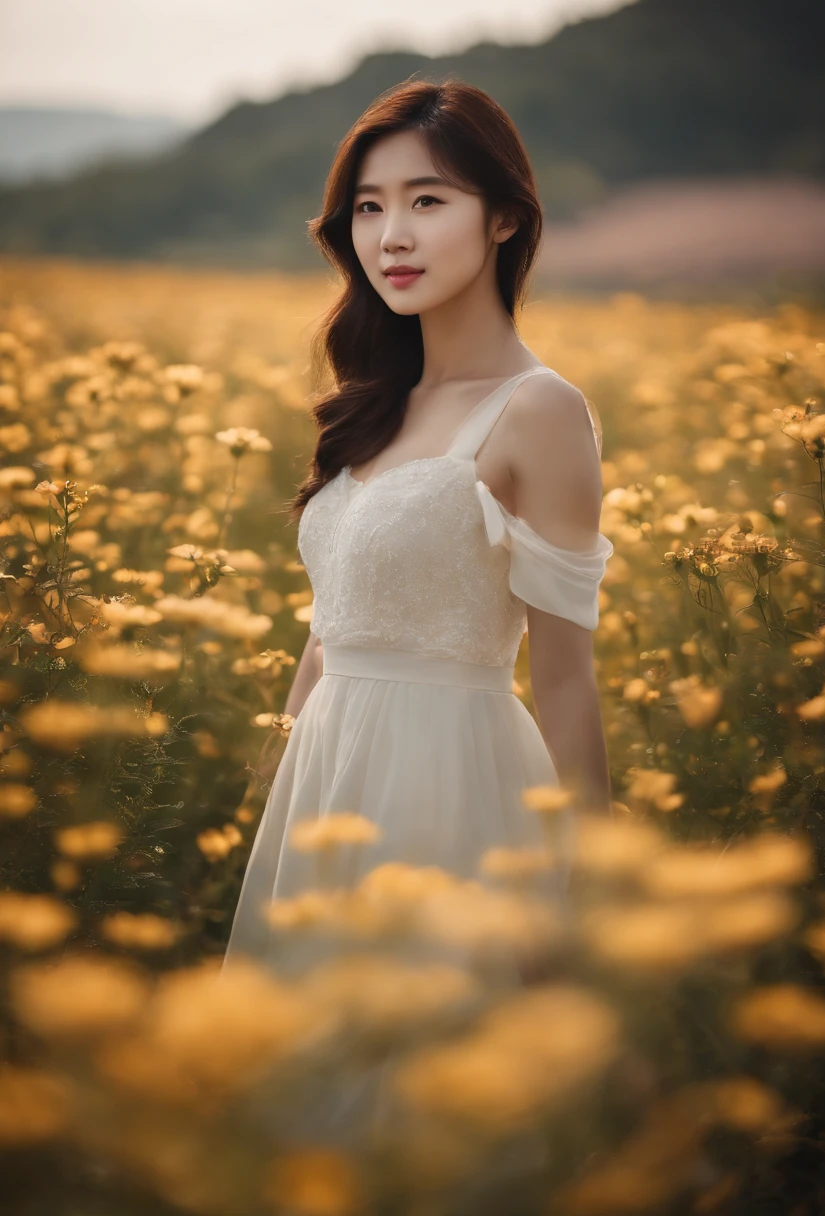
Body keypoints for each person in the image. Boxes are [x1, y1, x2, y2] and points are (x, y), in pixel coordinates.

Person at [224, 79, 614, 968]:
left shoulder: (539, 408)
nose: (391, 234)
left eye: (427, 201)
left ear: (504, 219)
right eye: (368, 207)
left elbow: (564, 678)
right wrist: (279, 774)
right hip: (325, 776)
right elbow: (333, 625)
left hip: (453, 783)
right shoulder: (374, 403)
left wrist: (594, 887)